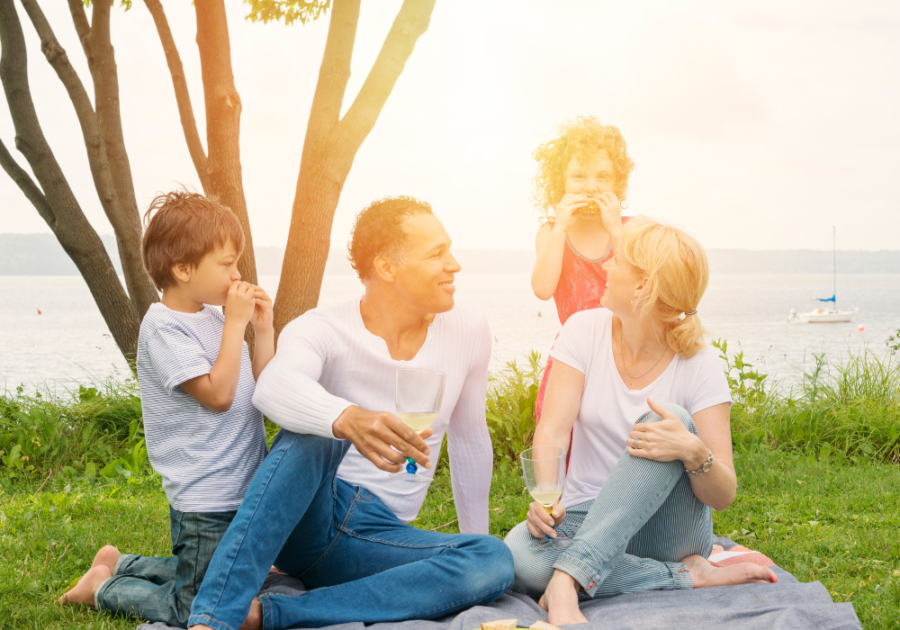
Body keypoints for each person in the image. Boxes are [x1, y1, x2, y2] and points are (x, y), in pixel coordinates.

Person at [188, 196, 514, 630]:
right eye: (436, 254)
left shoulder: (467, 329)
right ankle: (214, 618)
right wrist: (346, 418)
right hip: (316, 511)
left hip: (377, 536)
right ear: (387, 267)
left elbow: (471, 439)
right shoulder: (322, 327)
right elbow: (272, 387)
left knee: (491, 559)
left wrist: (476, 538)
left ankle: (270, 613)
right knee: (317, 429)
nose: (453, 265)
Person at [505, 217, 778, 626]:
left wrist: (694, 451)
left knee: (671, 421)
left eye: (617, 261)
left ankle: (566, 580)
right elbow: (553, 431)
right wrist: (549, 500)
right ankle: (688, 575)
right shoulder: (582, 331)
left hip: (668, 530)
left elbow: (723, 495)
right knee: (520, 554)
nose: (606, 267)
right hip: (584, 515)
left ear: (642, 286)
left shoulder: (700, 365)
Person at [58, 191, 276, 626]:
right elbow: (217, 396)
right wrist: (236, 324)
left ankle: (119, 562)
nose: (237, 274)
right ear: (183, 269)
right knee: (198, 605)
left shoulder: (215, 318)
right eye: (227, 263)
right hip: (206, 497)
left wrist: (263, 330)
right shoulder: (163, 328)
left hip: (242, 488)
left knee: (224, 577)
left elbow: (262, 391)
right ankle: (101, 587)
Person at [530, 117, 635, 425]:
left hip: (625, 354)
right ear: (559, 182)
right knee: (563, 431)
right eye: (578, 176)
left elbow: (642, 288)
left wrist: (616, 231)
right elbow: (542, 289)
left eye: (603, 177)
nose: (591, 187)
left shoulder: (631, 230)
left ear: (617, 183)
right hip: (574, 355)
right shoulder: (551, 232)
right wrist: (561, 228)